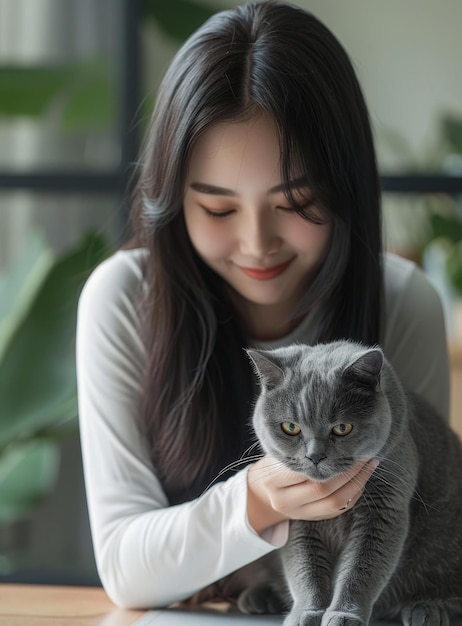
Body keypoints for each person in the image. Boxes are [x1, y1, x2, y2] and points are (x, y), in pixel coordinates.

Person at [76, 0, 450, 611]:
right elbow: (125, 566)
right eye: (218, 209)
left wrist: (203, 552)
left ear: (345, 188)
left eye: (296, 201)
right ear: (172, 200)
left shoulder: (404, 303)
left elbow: (424, 520)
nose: (256, 243)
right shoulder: (123, 301)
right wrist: (259, 496)